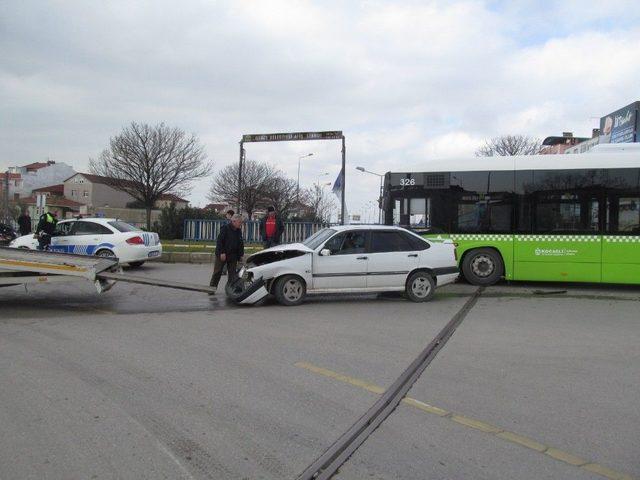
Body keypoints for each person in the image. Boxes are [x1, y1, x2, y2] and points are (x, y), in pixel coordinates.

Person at [210, 214, 244, 293]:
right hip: (223, 254)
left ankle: (230, 289)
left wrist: (240, 255)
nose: (241, 224)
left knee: (232, 274)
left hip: (233, 255)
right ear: (234, 221)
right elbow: (220, 241)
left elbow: (240, 243)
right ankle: (211, 289)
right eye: (240, 222)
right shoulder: (225, 228)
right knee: (217, 272)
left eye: (241, 222)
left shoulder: (238, 231)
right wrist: (222, 252)